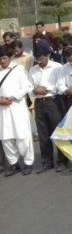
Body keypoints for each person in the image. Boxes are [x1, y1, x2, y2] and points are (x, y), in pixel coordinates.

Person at [29, 42, 67, 173]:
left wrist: (46, 90)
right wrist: (35, 91)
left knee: (58, 132)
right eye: (37, 59)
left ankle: (62, 160)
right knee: (43, 134)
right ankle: (47, 161)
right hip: (39, 103)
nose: (39, 61)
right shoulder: (33, 70)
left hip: (53, 101)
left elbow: (61, 85)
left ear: (48, 55)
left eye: (41, 58)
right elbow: (29, 88)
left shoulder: (57, 67)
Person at [0, 46, 34, 176]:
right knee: (6, 138)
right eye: (0, 59)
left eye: (4, 58)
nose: (2, 61)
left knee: (22, 137)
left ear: (9, 57)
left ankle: (28, 162)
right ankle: (14, 164)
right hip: (2, 110)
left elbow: (27, 86)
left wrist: (13, 97)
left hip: (17, 107)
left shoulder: (18, 69)